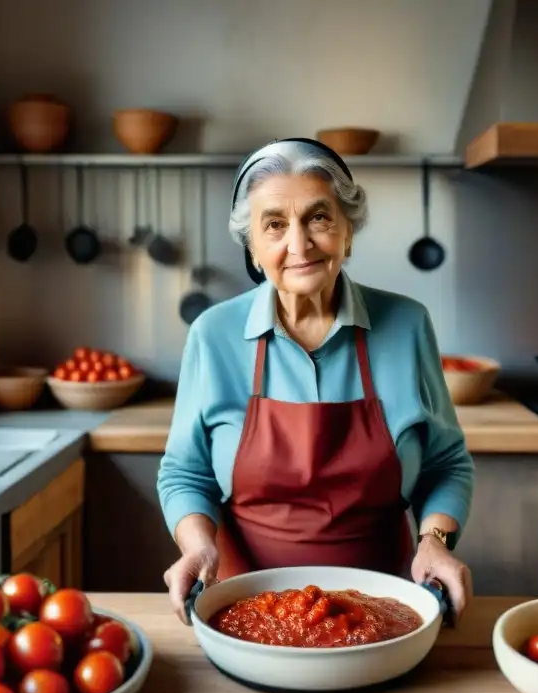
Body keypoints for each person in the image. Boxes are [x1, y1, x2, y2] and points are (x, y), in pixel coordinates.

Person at [157, 137, 475, 625]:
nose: (299, 244)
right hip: (246, 608)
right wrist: (198, 546)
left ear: (348, 232)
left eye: (319, 218)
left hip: (384, 607)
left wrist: (436, 542)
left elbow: (446, 463)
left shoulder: (407, 324)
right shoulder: (213, 334)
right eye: (275, 225)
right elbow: (185, 473)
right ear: (253, 247)